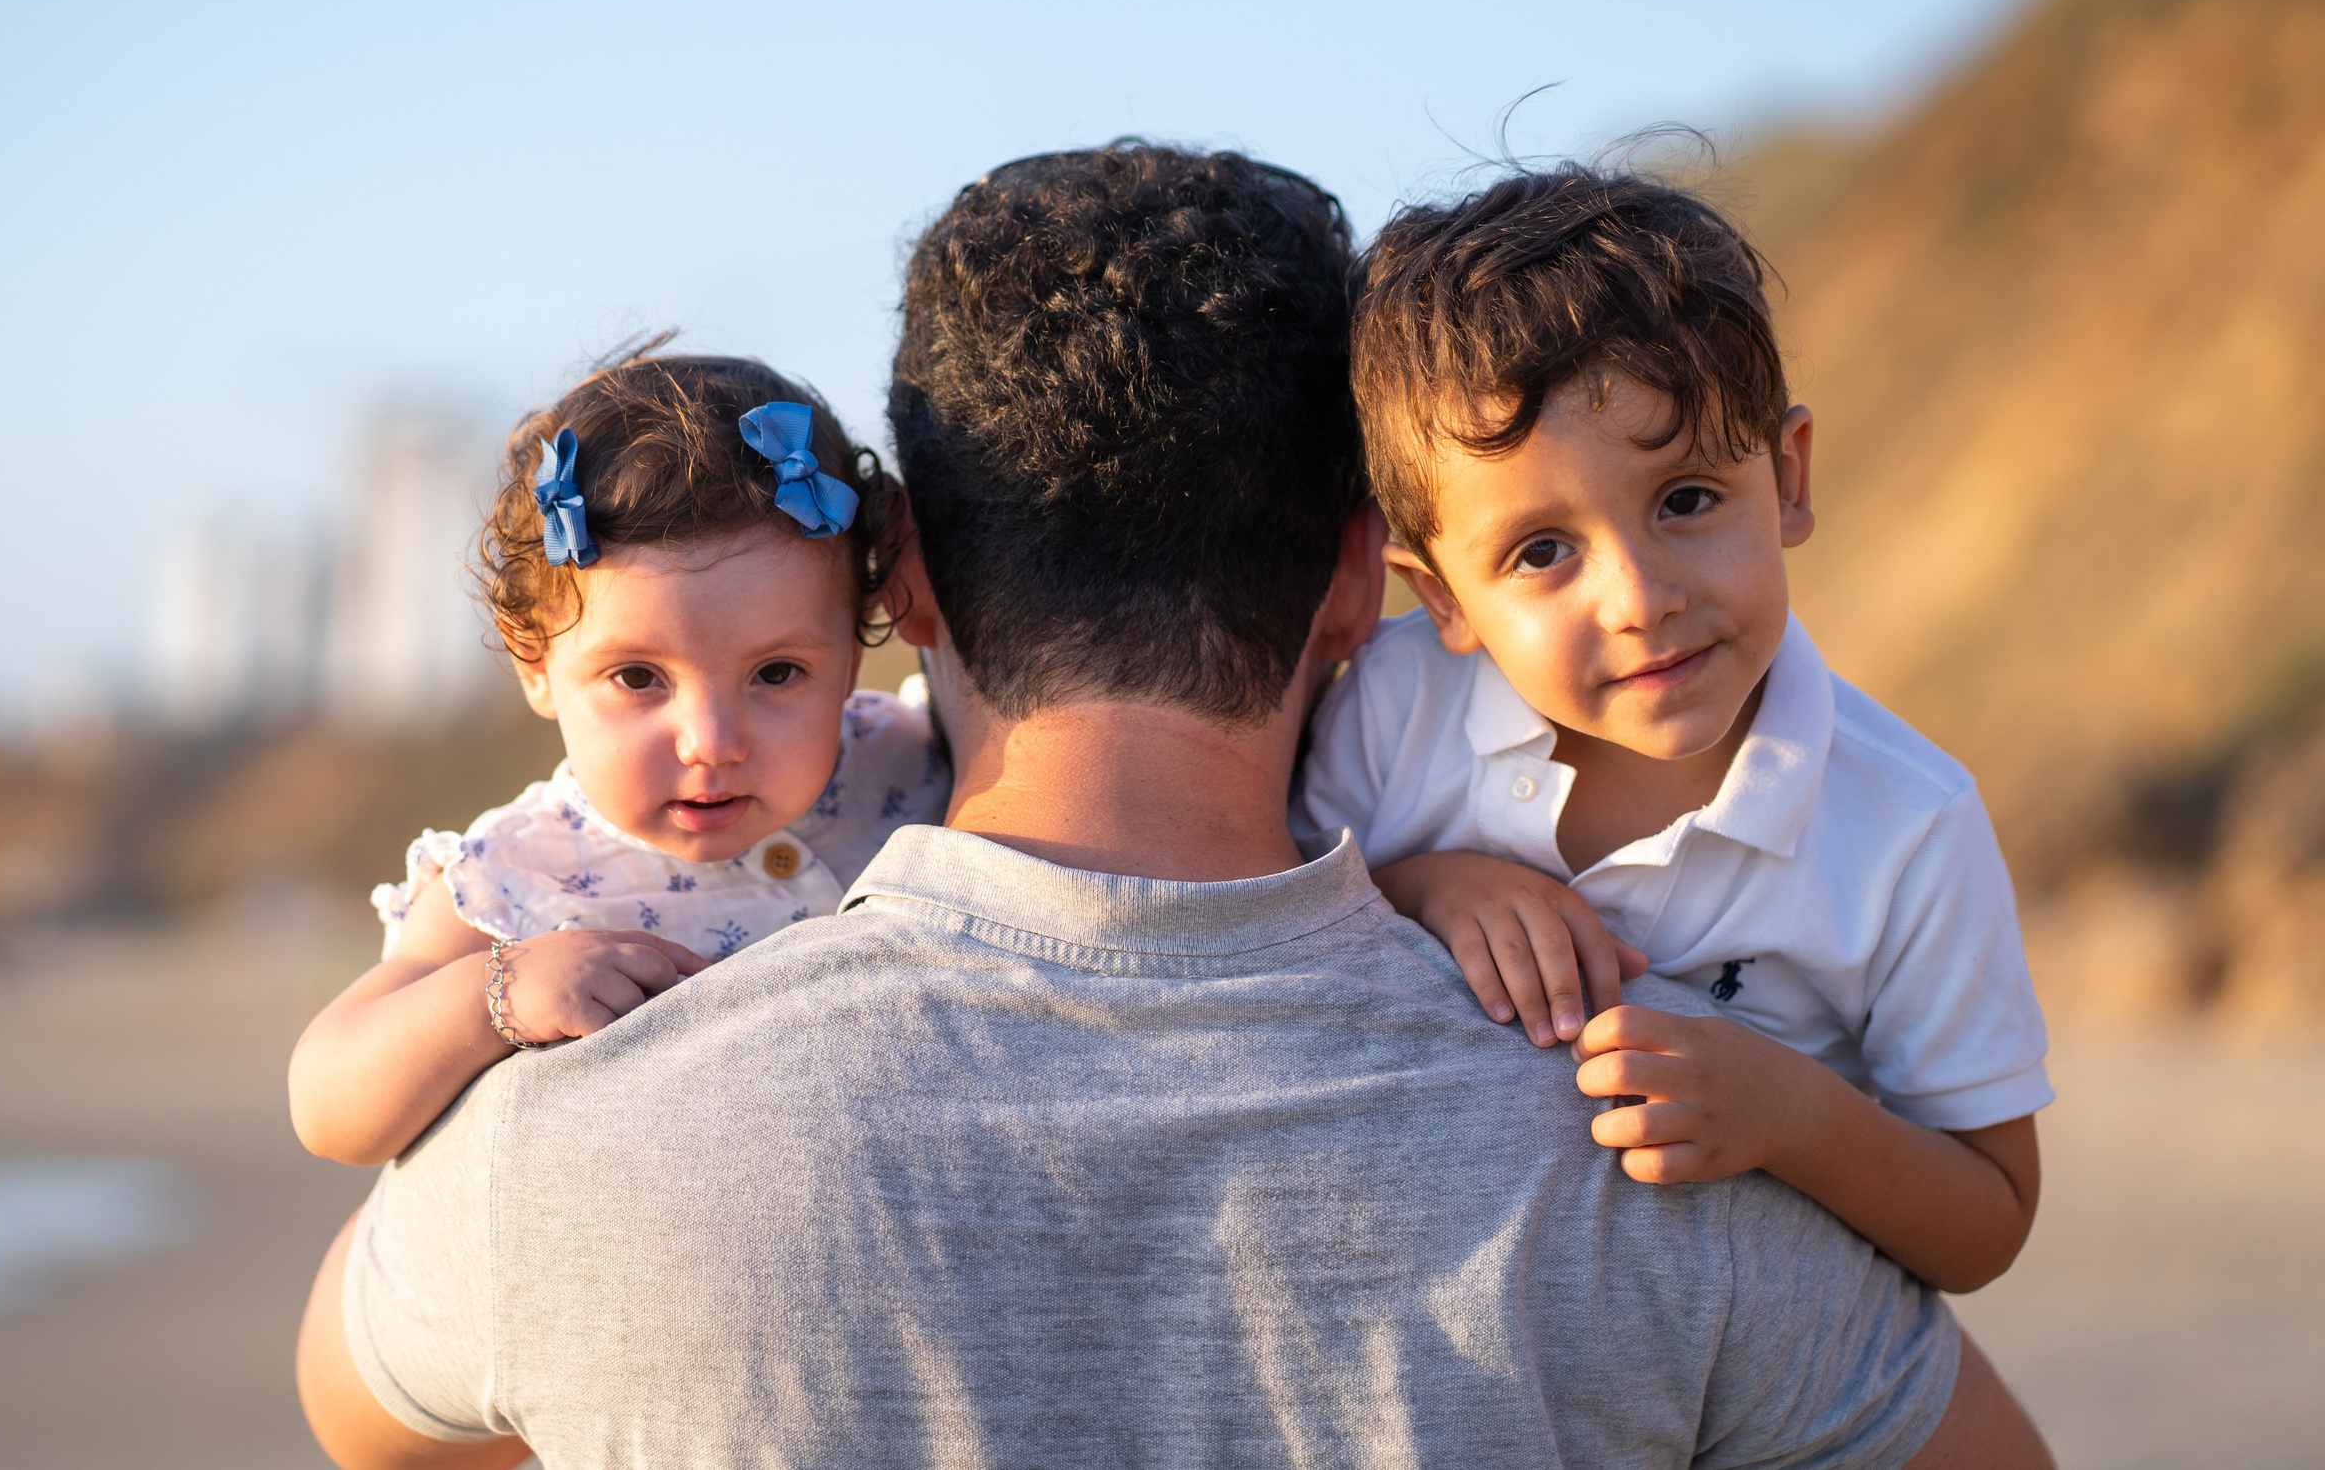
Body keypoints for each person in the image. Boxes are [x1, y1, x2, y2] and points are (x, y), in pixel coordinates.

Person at [298, 142, 2050, 1467]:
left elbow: (358, 1406)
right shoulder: (1661, 1134)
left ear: (897, 572)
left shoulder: (568, 1149)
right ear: (1373, 580)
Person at [1296, 165, 2051, 1293]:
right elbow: (1266, 944)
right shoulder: (1389, 717)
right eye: (1541, 552)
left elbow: (1987, 1218)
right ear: (1443, 598)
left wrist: (1793, 1113)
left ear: (1786, 479)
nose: (1640, 597)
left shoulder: (1905, 826)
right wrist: (1424, 887)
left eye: (1686, 498)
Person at [287, 344, 949, 1167]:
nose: (712, 741)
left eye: (778, 673)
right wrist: (495, 994)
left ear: (851, 652)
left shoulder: (913, 761)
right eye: (638, 677)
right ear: (536, 662)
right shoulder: (519, 877)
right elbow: (327, 1099)